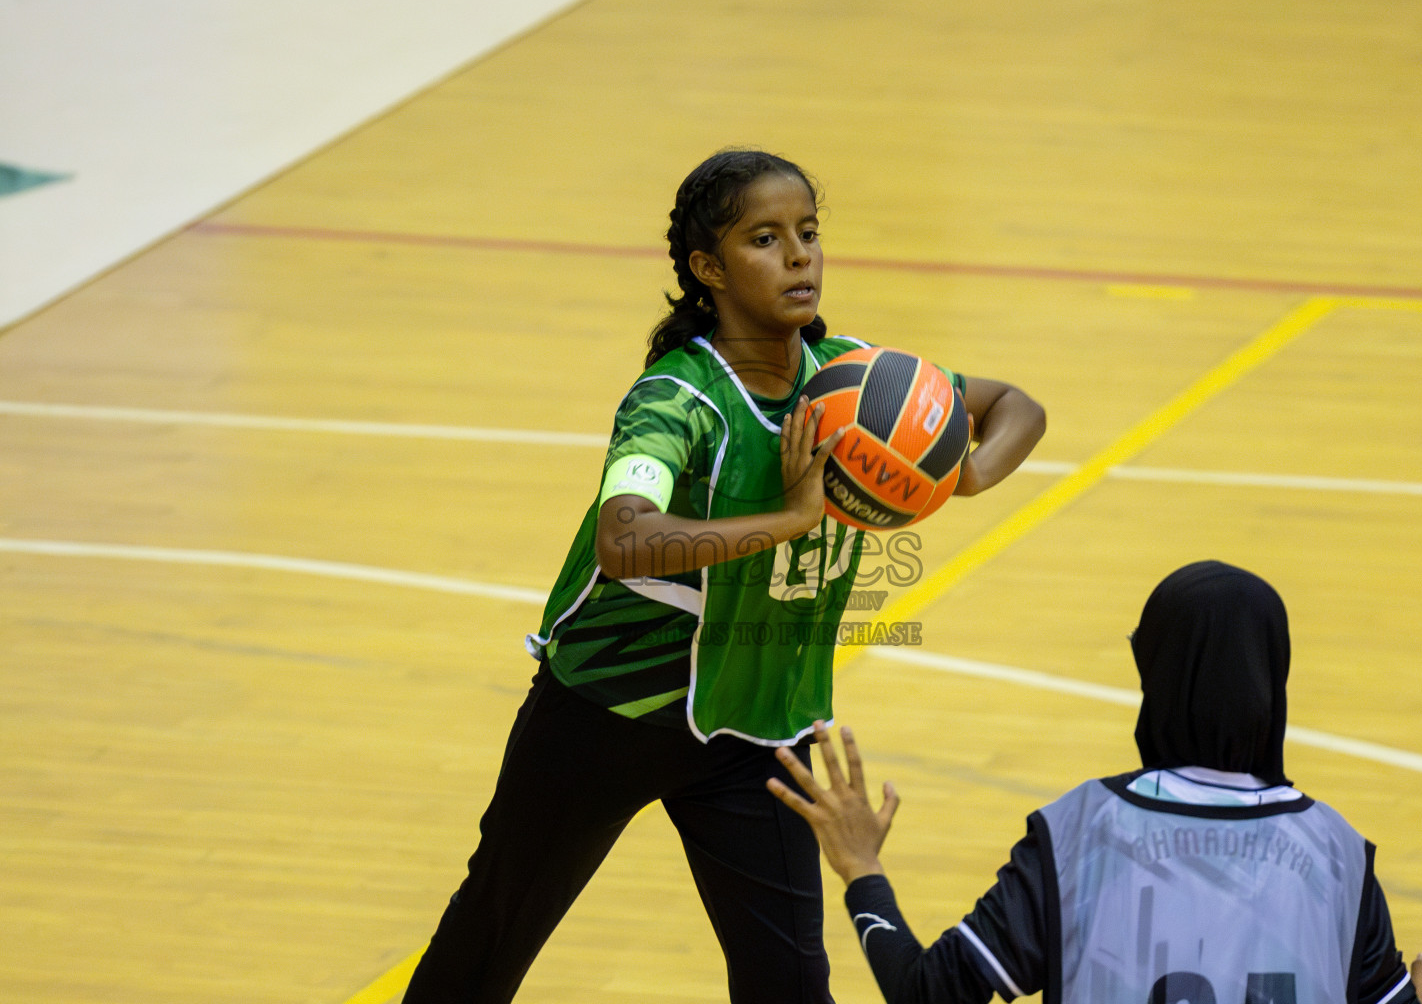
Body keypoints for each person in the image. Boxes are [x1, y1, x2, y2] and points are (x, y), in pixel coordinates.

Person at [399, 148, 1048, 1004]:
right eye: (765, 239)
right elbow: (623, 538)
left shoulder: (859, 380)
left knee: (790, 989)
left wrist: (954, 471)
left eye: (809, 234)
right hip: (609, 714)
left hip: (752, 724)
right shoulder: (675, 400)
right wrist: (786, 518)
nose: (799, 256)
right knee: (489, 943)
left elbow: (1016, 408)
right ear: (709, 268)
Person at [770, 561, 1422, 1004]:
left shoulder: (1078, 833)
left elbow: (928, 994)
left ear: (1153, 676)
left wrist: (863, 871)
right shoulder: (1338, 853)